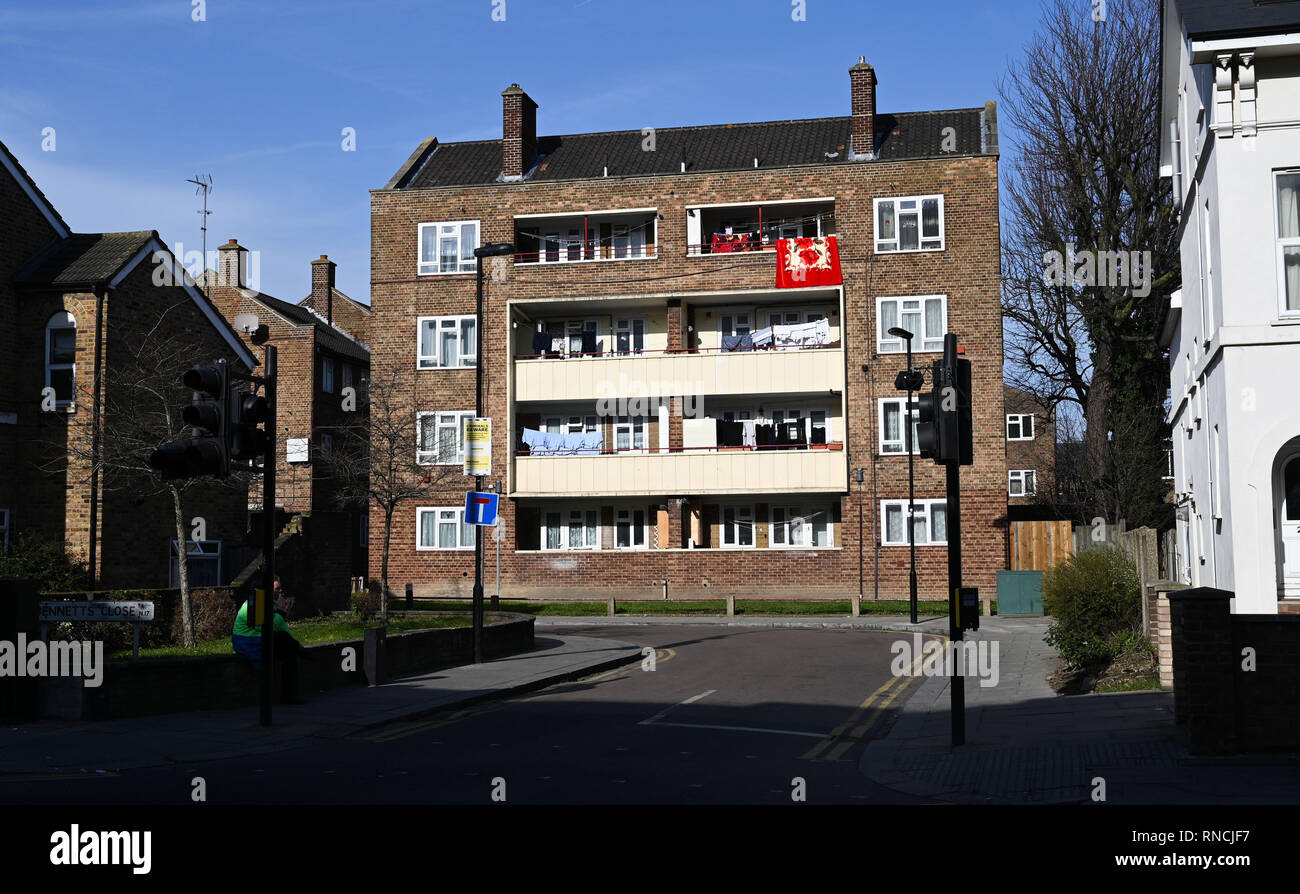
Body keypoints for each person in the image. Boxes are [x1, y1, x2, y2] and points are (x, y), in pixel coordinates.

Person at [232, 583, 313, 704]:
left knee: (290, 653)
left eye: (281, 588)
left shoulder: (270, 605)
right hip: (246, 640)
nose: (281, 591)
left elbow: (281, 627)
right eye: (277, 589)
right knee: (284, 640)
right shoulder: (255, 603)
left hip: (259, 638)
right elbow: (265, 628)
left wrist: (295, 643)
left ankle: (288, 695)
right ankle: (306, 655)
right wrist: (281, 612)